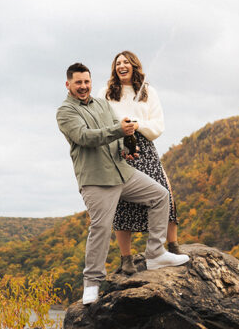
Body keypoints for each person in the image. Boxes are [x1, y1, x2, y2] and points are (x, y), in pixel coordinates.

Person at [56, 62, 189, 304]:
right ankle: (92, 283)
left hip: (121, 171)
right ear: (68, 84)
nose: (84, 86)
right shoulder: (65, 112)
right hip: (96, 179)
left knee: (160, 195)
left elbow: (114, 135)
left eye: (87, 82)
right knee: (101, 227)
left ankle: (156, 253)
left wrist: (125, 149)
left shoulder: (101, 104)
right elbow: (85, 137)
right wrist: (119, 131)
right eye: (78, 83)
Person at [103, 51, 181, 276]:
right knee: (121, 202)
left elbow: (158, 125)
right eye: (118, 63)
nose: (122, 66)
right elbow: (101, 121)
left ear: (134, 65)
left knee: (165, 193)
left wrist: (136, 124)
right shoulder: (106, 93)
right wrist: (119, 127)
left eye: (126, 62)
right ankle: (126, 258)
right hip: (117, 149)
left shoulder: (148, 91)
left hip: (144, 148)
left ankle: (172, 246)